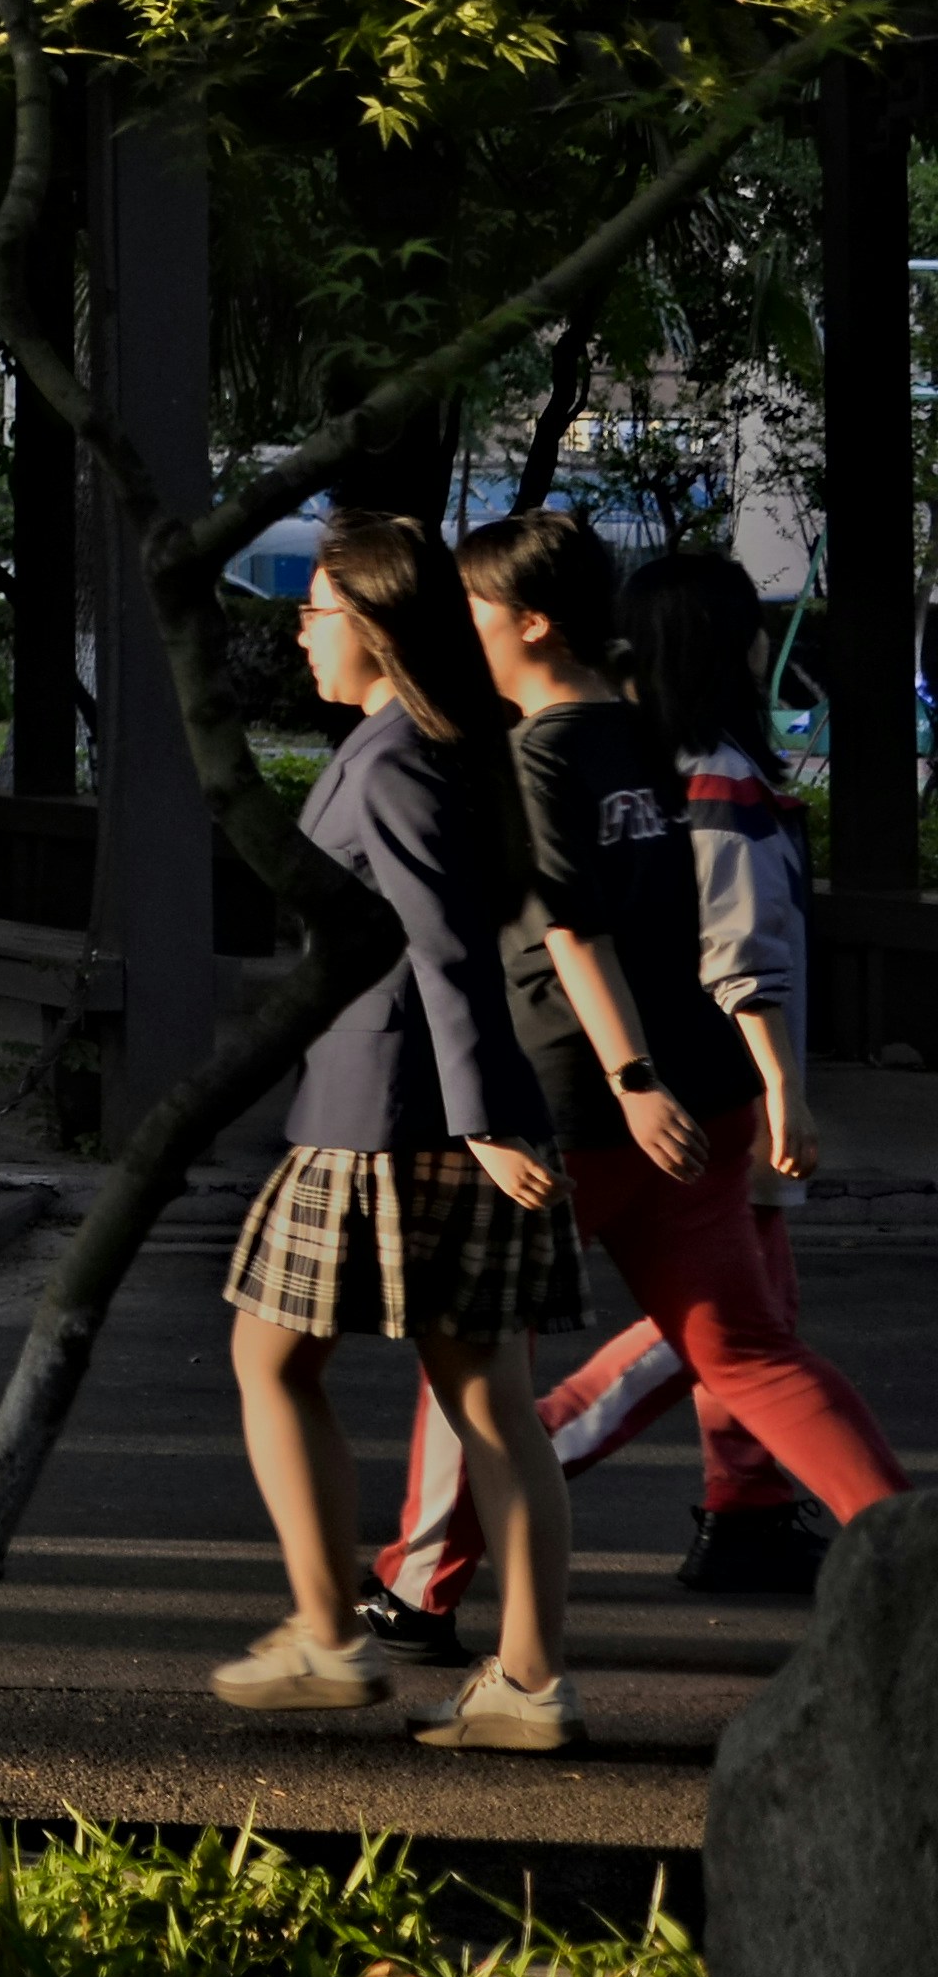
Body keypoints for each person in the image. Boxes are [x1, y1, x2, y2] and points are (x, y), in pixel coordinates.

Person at [374, 522, 905, 1628]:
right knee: (747, 1347)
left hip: (567, 1102)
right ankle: (903, 1550)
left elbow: (571, 928)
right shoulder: (646, 739)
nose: (454, 634)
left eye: (470, 610)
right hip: (701, 1094)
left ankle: (418, 1586)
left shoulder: (538, 754)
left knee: (474, 1351)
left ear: (531, 620)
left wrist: (625, 1076)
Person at [213, 508, 579, 1749]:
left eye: (313, 612)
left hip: (384, 1117)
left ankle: (330, 1634)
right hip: (432, 1109)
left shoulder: (390, 760)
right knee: (488, 1401)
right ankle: (517, 1677)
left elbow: (444, 946)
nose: (301, 635)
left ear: (369, 627)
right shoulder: (444, 745)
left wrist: (474, 1116)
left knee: (277, 1359)